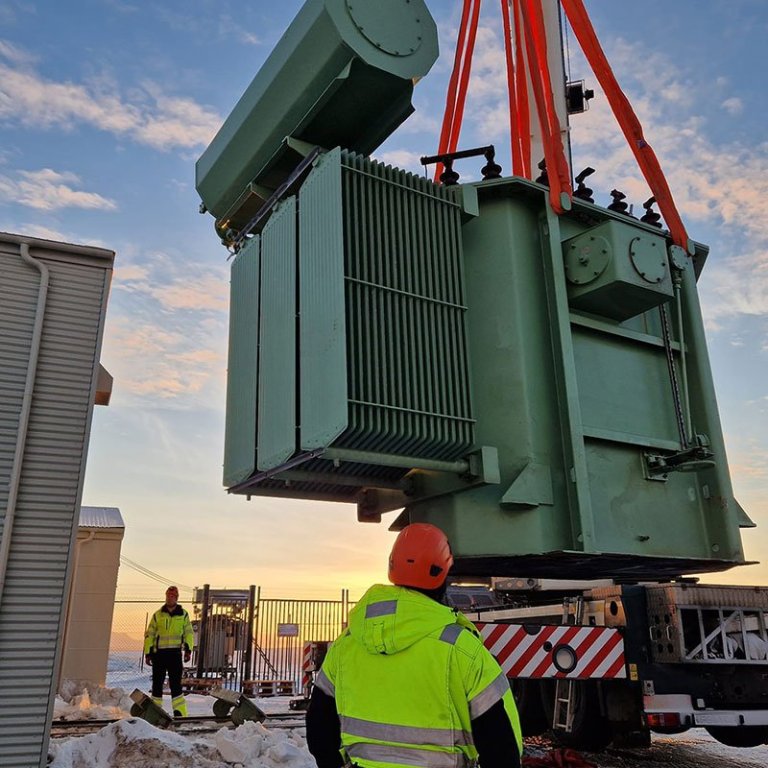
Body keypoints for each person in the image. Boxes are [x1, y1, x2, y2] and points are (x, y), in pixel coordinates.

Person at [306, 523, 522, 768]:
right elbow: (502, 746)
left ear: (392, 568)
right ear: (444, 576)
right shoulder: (462, 649)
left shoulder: (346, 646)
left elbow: (318, 730)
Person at [143, 585, 195, 717]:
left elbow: (188, 633)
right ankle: (155, 712)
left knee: (176, 684)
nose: (170, 598)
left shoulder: (183, 615)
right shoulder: (157, 615)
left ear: (176, 598)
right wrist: (148, 653)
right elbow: (150, 634)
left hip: (175, 654)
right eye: (168, 595)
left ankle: (180, 713)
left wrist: (188, 650)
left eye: (172, 596)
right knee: (157, 684)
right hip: (159, 655)